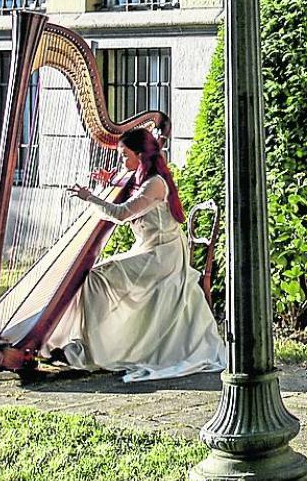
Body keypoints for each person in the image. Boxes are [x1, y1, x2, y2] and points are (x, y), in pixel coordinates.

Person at [54, 128, 226, 382]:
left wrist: (89, 197)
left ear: (140, 155)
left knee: (97, 277)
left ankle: (99, 350)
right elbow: (125, 200)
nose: (122, 162)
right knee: (99, 273)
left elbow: (122, 214)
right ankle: (100, 343)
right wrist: (106, 184)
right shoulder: (141, 178)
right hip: (151, 249)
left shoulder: (154, 183)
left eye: (124, 155)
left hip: (162, 257)